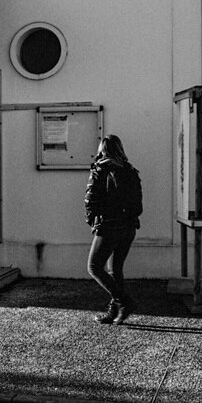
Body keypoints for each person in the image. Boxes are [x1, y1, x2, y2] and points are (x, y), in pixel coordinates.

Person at [84, 134, 142, 325]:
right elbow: (138, 206)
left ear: (103, 149)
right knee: (115, 269)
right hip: (129, 228)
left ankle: (124, 302)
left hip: (109, 227)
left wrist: (93, 222)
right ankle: (114, 312)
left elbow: (90, 200)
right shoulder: (131, 170)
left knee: (94, 267)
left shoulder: (100, 169)